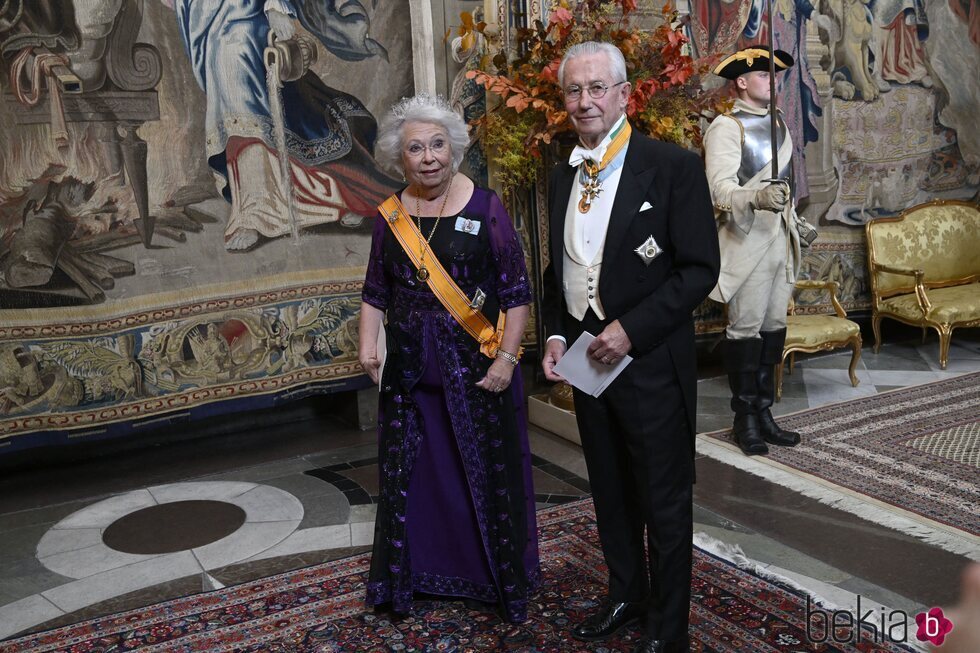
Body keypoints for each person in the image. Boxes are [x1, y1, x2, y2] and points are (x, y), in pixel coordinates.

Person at [540, 42, 721, 653]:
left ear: (624, 94)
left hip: (647, 364)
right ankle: (625, 593)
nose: (585, 101)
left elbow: (698, 271)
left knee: (663, 500)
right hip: (587, 364)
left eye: (597, 88)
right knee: (610, 488)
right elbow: (558, 269)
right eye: (574, 90)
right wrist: (559, 334)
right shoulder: (561, 169)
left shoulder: (671, 166)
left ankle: (668, 628)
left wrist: (631, 330)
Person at [358, 94, 539, 622]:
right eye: (416, 148)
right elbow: (375, 289)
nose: (429, 156)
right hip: (410, 370)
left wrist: (506, 359)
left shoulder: (486, 207)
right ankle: (417, 576)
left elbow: (517, 292)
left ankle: (489, 578)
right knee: (416, 476)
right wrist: (368, 343)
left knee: (479, 473)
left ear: (454, 148)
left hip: (475, 366)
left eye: (438, 144)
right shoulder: (390, 216)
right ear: (401, 157)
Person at [173, 0, 401, 251]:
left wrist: (276, 5)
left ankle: (259, 212)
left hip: (247, 19)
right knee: (237, 99)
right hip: (208, 21)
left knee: (250, 98)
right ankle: (255, 209)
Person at [703, 46, 803, 456]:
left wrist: (793, 217)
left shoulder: (778, 121)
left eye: (773, 75)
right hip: (746, 241)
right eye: (763, 75)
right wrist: (757, 197)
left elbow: (785, 182)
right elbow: (719, 189)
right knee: (744, 330)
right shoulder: (727, 128)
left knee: (773, 327)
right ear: (741, 82)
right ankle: (744, 418)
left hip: (780, 237)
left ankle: (764, 412)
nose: (772, 80)